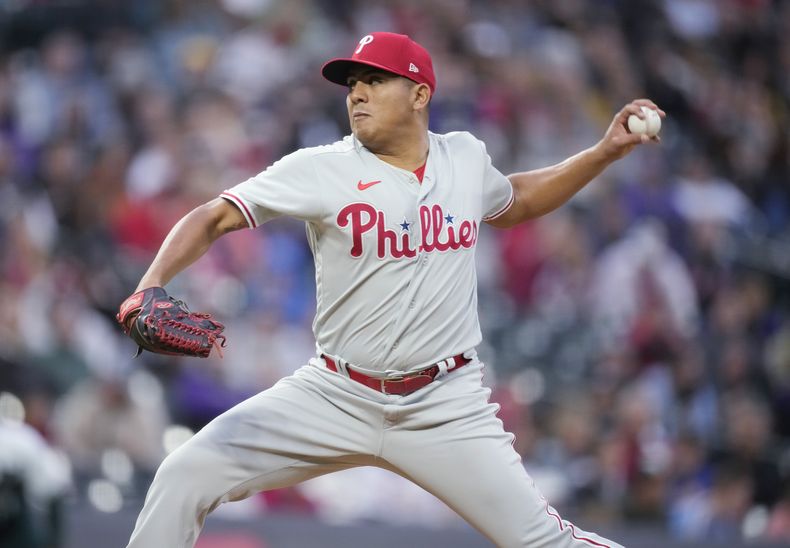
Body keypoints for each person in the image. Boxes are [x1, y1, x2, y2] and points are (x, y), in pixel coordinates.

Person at [124, 32, 663, 547]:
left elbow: (515, 200)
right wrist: (150, 284)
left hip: (444, 404)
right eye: (352, 83)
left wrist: (603, 153)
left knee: (544, 540)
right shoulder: (321, 168)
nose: (357, 93)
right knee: (184, 473)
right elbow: (214, 216)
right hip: (335, 393)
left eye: (375, 80)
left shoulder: (464, 158)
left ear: (419, 95)